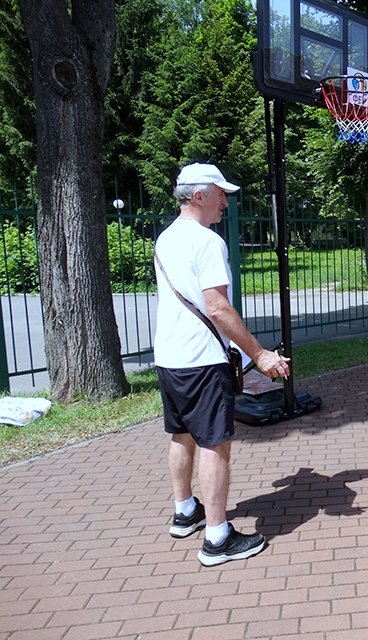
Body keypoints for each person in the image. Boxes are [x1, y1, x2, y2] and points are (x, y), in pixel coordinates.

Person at [154, 163, 291, 566]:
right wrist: (259, 354)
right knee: (216, 442)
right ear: (199, 197)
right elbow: (218, 308)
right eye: (220, 194)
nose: (225, 202)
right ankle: (217, 538)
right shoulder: (207, 242)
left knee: (182, 434)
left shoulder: (166, 238)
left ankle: (185, 513)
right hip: (200, 360)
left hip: (170, 357)